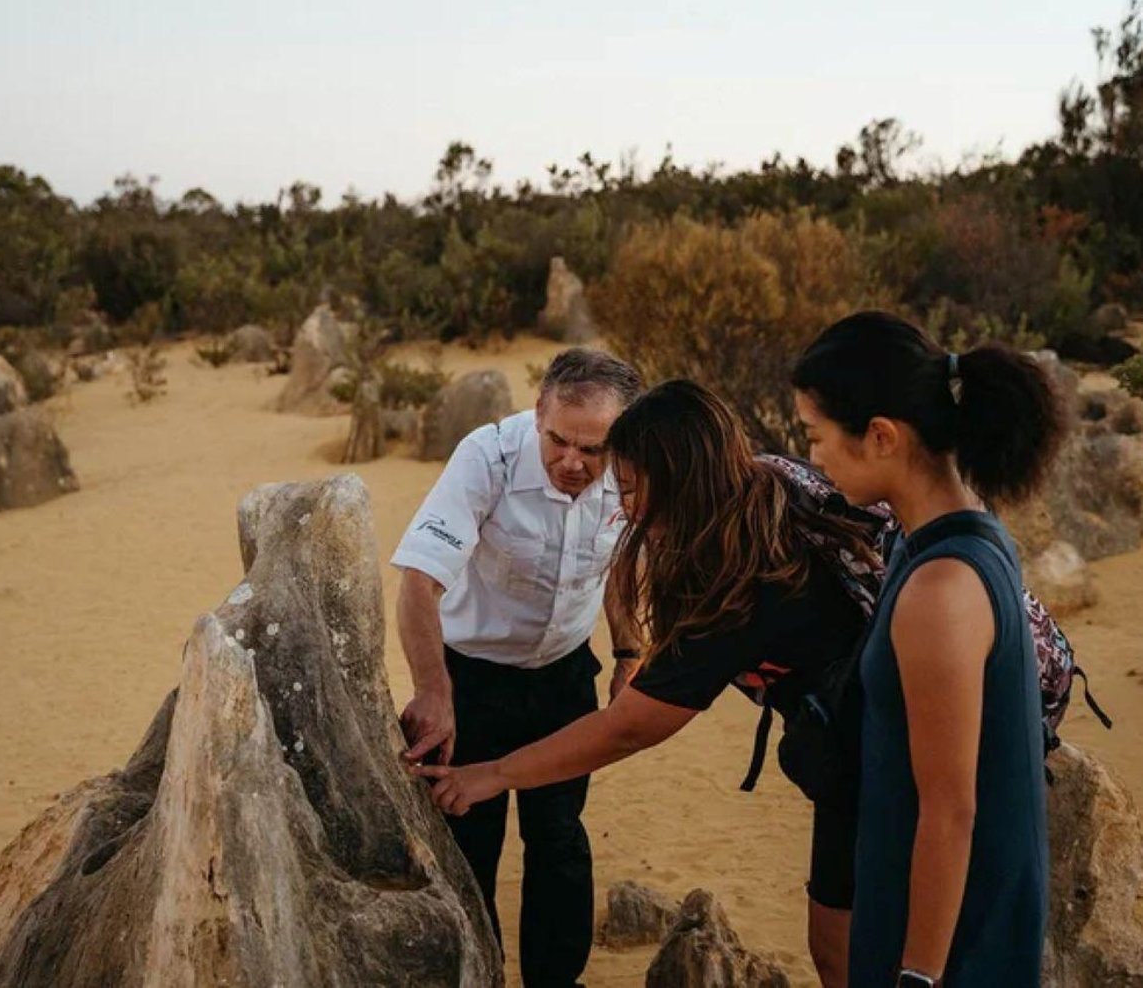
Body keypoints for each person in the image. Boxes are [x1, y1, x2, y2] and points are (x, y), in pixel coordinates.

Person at [412, 378, 882, 987]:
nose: (624, 507)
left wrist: (493, 773)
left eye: (629, 488)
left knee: (861, 952)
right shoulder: (763, 491)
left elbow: (630, 727)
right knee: (839, 944)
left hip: (887, 756)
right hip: (854, 750)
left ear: (678, 481)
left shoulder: (740, 588)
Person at [791, 311, 1063, 987]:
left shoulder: (941, 589)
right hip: (935, 920)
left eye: (816, 436)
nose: (813, 457)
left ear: (881, 436)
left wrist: (918, 976)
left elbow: (951, 808)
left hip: (953, 948)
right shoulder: (952, 542)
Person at [391, 348, 644, 988]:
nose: (573, 462)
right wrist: (432, 689)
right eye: (559, 441)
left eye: (593, 450)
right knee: (470, 844)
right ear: (539, 413)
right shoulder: (487, 457)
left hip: (564, 677)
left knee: (559, 840)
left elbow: (620, 559)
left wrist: (629, 651)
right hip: (470, 679)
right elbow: (420, 581)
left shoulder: (633, 466)